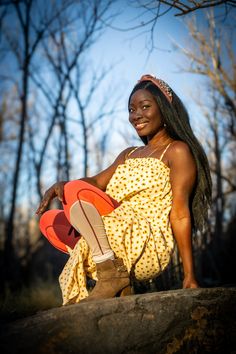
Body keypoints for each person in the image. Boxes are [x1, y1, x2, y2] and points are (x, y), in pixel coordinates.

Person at [36, 74, 212, 305]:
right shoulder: (128, 154)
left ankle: (111, 274)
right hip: (114, 235)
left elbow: (179, 213)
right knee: (51, 220)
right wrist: (63, 185)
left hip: (146, 241)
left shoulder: (176, 151)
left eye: (144, 107)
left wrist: (189, 276)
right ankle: (115, 277)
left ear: (165, 109)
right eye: (131, 109)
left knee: (76, 192)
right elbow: (96, 184)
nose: (136, 115)